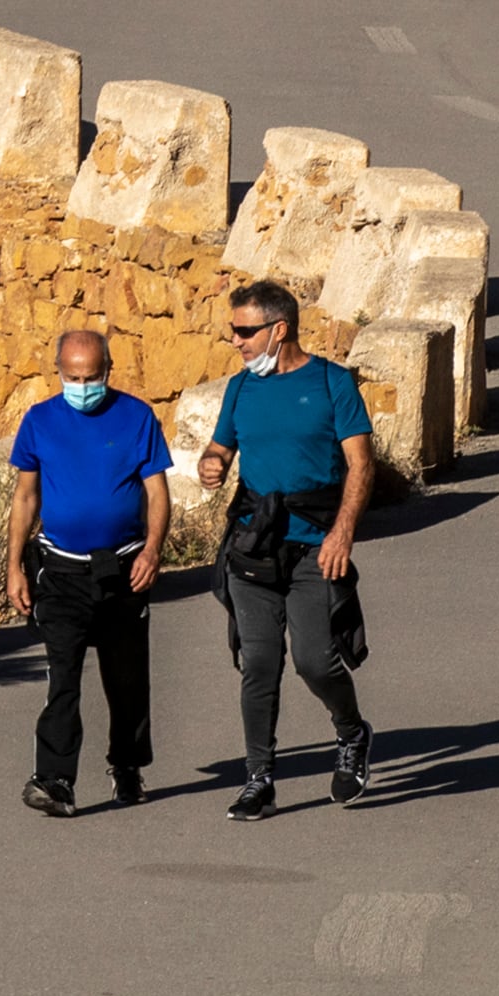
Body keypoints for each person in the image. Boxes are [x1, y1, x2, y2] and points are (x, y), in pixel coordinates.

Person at [196, 280, 375, 819]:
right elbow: (220, 446)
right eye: (233, 331)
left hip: (314, 548)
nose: (236, 341)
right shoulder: (240, 389)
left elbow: (361, 464)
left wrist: (342, 532)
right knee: (259, 665)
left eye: (246, 331)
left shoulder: (331, 384)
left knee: (316, 663)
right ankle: (259, 778)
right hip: (254, 547)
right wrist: (212, 463)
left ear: (280, 330)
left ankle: (351, 733)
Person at [5, 327, 171, 817]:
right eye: (72, 376)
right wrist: (14, 565)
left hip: (122, 570)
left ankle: (127, 765)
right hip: (60, 574)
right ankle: (55, 779)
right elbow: (25, 497)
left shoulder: (137, 417)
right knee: (63, 678)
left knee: (126, 678)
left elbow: (158, 492)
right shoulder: (39, 421)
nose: (82, 385)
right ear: (59, 372)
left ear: (108, 371)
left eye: (91, 376)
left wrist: (154, 550)